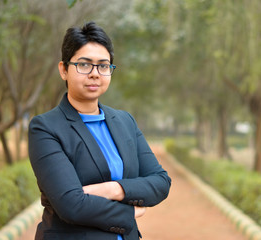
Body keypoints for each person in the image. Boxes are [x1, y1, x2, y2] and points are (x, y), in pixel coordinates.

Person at [28, 22, 171, 240]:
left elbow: (160, 182)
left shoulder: (125, 121)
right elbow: (71, 206)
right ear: (64, 69)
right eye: (84, 65)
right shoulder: (45, 128)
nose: (95, 74)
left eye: (103, 66)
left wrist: (113, 189)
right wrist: (131, 211)